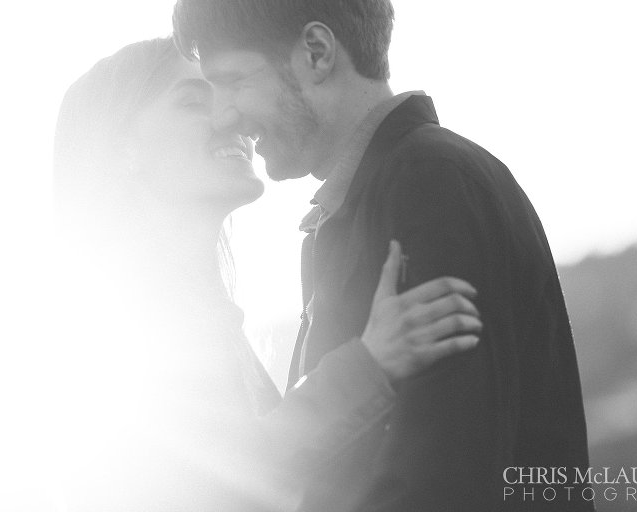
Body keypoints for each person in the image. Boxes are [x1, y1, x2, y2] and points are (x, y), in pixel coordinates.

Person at [172, 0, 594, 510]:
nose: (225, 115)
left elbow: (449, 468)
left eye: (235, 81)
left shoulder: (428, 180)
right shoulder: (365, 202)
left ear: (317, 51)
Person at [53, 37, 482, 511]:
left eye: (227, 93)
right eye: (194, 102)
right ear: (122, 148)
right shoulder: (125, 316)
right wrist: (369, 364)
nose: (229, 117)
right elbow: (209, 485)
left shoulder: (207, 315)